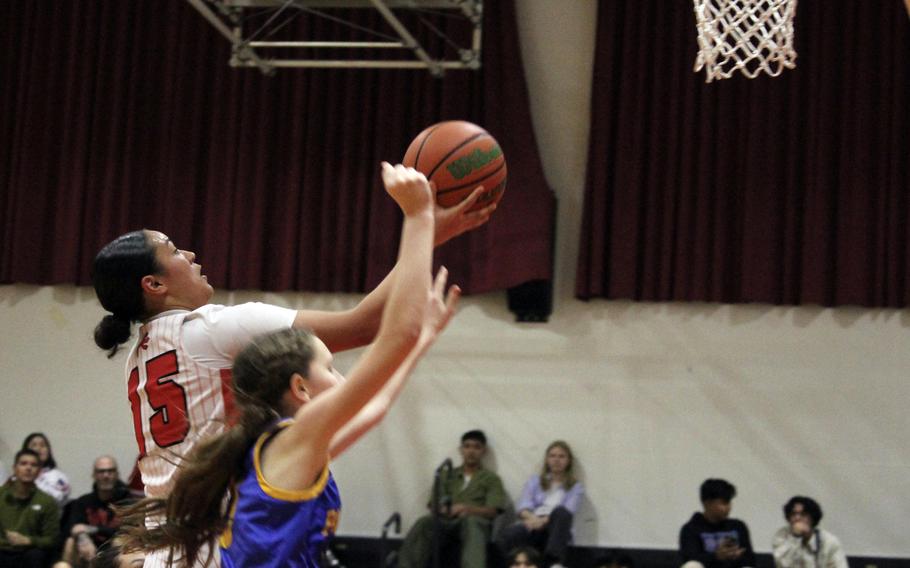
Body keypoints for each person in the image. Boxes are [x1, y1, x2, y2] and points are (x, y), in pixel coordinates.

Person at [91, 172, 490, 565]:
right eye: (174, 251)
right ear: (154, 285)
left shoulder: (141, 355)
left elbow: (375, 401)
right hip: (218, 543)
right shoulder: (213, 329)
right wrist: (421, 227)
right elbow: (368, 326)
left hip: (174, 543)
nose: (190, 255)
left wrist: (426, 236)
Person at [396, 429, 507, 568]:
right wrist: (444, 510)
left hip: (474, 522)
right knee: (424, 522)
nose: (471, 451)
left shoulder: (491, 479)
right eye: (467, 446)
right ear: (461, 450)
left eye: (476, 447)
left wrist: (467, 509)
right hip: (447, 521)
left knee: (471, 522)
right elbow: (433, 504)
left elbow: (493, 510)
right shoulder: (447, 474)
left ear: (483, 451)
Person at [497, 440, 583, 568]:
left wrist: (542, 521)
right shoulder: (534, 481)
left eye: (561, 456)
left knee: (561, 512)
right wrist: (533, 519)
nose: (556, 460)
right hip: (533, 523)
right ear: (547, 460)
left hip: (556, 528)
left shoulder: (576, 487)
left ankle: (554, 562)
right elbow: (523, 507)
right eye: (552, 456)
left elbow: (568, 511)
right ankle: (517, 564)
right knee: (510, 533)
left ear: (568, 461)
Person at [54, 456, 132, 568]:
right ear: (94, 475)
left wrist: (95, 529)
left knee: (119, 541)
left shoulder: (128, 502)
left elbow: (128, 532)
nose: (106, 475)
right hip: (86, 552)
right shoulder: (83, 502)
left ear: (117, 474)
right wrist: (83, 537)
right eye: (101, 471)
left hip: (113, 552)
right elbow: (73, 528)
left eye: (110, 471)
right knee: (70, 543)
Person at [0, 449, 61, 568]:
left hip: (28, 553)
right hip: (2, 551)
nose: (28, 468)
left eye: (33, 465)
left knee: (36, 555)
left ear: (39, 471)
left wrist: (29, 540)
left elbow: (52, 539)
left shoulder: (47, 501)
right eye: (23, 464)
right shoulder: (1, 496)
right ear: (14, 468)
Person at [679, 478, 755, 568]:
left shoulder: (738, 526)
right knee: (691, 566)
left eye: (729, 502)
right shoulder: (691, 529)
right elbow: (690, 559)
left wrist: (736, 556)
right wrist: (716, 556)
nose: (728, 507)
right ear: (707, 503)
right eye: (724, 503)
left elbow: (751, 560)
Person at [771, 496, 847, 568]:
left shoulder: (829, 541)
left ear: (813, 517)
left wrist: (808, 536)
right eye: (793, 514)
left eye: (803, 514)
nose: (797, 518)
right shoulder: (781, 536)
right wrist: (795, 537)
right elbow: (783, 564)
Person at [21, 432, 71, 506]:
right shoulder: (18, 477)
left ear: (48, 451)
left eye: (42, 445)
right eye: (34, 445)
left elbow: (59, 499)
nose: (38, 449)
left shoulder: (58, 477)